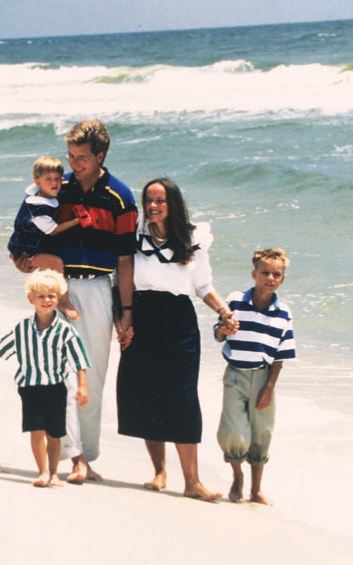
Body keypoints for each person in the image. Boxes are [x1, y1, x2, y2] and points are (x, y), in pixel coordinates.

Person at [15, 119, 137, 483]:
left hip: (99, 288)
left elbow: (125, 260)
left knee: (93, 376)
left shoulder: (120, 196)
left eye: (82, 158)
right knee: (56, 375)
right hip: (56, 288)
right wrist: (23, 259)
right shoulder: (56, 188)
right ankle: (74, 456)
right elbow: (24, 229)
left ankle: (87, 453)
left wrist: (126, 312)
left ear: (100, 156)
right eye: (70, 156)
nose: (73, 164)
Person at [116, 177, 238, 500]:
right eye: (149, 201)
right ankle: (159, 471)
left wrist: (224, 310)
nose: (153, 207)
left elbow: (202, 286)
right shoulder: (134, 232)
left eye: (160, 201)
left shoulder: (193, 238)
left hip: (178, 321)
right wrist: (123, 319)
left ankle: (192, 482)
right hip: (141, 315)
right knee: (145, 394)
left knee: (183, 398)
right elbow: (121, 277)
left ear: (173, 204)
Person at [0, 270, 90, 487]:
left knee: (55, 433)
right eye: (41, 296)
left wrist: (83, 387)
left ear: (59, 298)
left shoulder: (65, 331)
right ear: (31, 299)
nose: (46, 300)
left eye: (51, 295)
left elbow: (79, 361)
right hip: (29, 387)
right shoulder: (22, 328)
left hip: (55, 387)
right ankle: (42, 472)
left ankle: (54, 473)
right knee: (36, 430)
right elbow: (4, 347)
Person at [215, 248, 296, 505]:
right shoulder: (236, 300)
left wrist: (269, 388)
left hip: (263, 378)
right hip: (236, 375)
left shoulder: (283, 312)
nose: (269, 278)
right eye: (264, 273)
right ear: (254, 274)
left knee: (262, 433)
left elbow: (281, 356)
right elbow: (218, 332)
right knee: (234, 432)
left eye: (276, 274)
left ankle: (256, 489)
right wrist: (225, 329)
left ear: (282, 279)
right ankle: (237, 476)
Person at [7, 156, 90, 320]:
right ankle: (63, 301)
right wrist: (76, 221)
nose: (55, 183)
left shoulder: (41, 193)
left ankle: (47, 301)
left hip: (32, 243)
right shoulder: (37, 208)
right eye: (49, 179)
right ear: (38, 182)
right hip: (26, 249)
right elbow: (54, 230)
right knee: (56, 263)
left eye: (58, 179)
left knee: (49, 270)